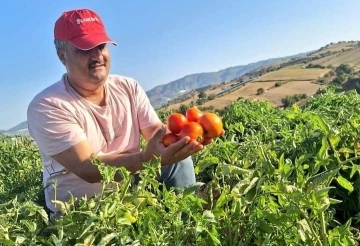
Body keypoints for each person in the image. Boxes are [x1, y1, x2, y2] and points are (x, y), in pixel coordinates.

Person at [27, 8, 216, 217]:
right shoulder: (48, 106)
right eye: (84, 48)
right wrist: (147, 159)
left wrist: (187, 137)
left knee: (178, 160)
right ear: (62, 56)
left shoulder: (128, 87)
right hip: (84, 215)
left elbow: (156, 132)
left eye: (101, 45)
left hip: (131, 190)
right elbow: (89, 168)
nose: (97, 55)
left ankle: (188, 224)